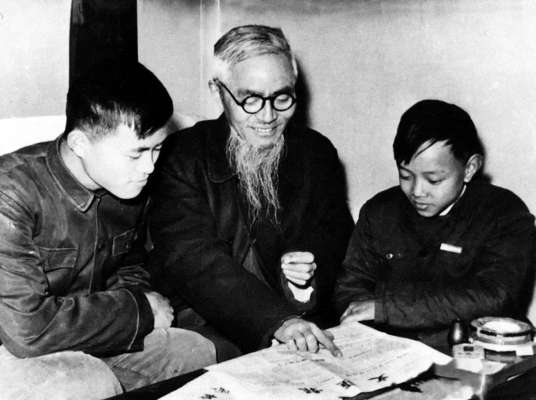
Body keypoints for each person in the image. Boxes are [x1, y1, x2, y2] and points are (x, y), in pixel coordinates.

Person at [0, 61, 216, 399]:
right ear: (80, 143)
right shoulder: (11, 192)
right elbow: (27, 330)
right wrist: (139, 311)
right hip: (14, 345)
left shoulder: (126, 183)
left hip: (86, 331)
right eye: (137, 154)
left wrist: (137, 299)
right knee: (88, 381)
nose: (150, 167)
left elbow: (130, 265)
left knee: (194, 351)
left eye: (157, 149)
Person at [148, 25, 353, 356]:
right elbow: (195, 262)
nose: (269, 117)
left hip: (300, 316)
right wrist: (277, 321)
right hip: (207, 321)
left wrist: (305, 275)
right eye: (251, 100)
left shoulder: (317, 153)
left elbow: (336, 244)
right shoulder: (182, 156)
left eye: (282, 97)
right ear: (218, 91)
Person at [334, 99, 535, 353]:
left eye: (434, 180)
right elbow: (350, 288)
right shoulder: (379, 212)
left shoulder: (503, 212)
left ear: (469, 168)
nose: (417, 191)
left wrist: (387, 309)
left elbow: (494, 295)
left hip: (477, 355)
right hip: (392, 352)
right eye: (405, 176)